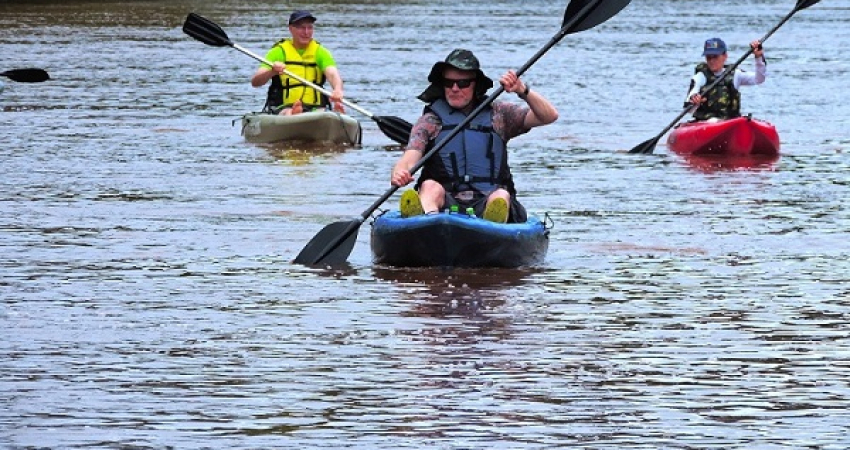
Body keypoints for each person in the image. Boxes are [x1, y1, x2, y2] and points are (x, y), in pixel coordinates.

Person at [390, 49, 558, 224]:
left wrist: (522, 90)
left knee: (501, 195)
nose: (455, 89)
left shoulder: (499, 115)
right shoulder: (430, 121)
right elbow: (410, 157)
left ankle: (492, 225)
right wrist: (399, 172)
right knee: (429, 186)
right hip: (445, 203)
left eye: (462, 83)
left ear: (475, 85)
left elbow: (548, 116)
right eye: (449, 83)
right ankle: (426, 223)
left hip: (487, 199)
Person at [250, 10, 344, 116]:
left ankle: (336, 115)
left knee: (323, 114)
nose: (306, 32)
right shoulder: (278, 51)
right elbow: (256, 82)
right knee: (288, 113)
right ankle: (295, 112)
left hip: (315, 108)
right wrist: (272, 71)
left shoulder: (320, 52)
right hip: (284, 107)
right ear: (291, 29)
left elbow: (332, 74)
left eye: (309, 27)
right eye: (301, 27)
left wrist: (337, 89)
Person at [686, 37, 766, 121]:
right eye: (709, 57)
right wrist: (695, 102)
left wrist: (758, 56)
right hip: (706, 123)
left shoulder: (736, 74)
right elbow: (689, 108)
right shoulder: (700, 77)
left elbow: (759, 79)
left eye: (715, 57)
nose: (712, 61)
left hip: (731, 121)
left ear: (725, 56)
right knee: (713, 121)